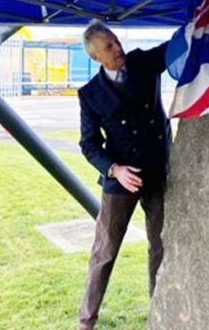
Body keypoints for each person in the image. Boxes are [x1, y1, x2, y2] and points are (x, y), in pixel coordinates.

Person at [76, 19, 170, 330]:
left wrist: (199, 23)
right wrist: (114, 169)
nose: (118, 48)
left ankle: (158, 313)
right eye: (108, 47)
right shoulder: (90, 94)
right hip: (121, 179)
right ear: (96, 57)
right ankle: (85, 322)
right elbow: (89, 145)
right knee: (104, 252)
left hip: (157, 171)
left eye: (116, 41)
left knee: (160, 245)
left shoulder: (143, 62)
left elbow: (174, 49)